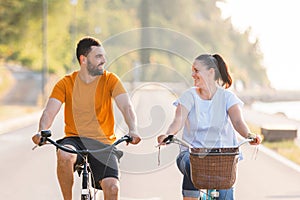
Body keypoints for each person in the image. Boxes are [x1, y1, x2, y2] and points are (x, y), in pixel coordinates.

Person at [32, 36, 141, 200]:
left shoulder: (110, 80)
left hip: (104, 142)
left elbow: (126, 106)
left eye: (103, 56)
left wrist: (133, 129)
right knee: (64, 155)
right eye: (98, 56)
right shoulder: (66, 83)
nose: (103, 60)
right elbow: (49, 112)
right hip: (75, 139)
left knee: (112, 188)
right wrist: (41, 131)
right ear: (83, 59)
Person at [157, 54, 262, 200]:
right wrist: (167, 134)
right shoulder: (189, 96)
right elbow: (178, 120)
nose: (193, 74)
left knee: (226, 192)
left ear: (210, 72)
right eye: (192, 70)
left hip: (222, 157)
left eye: (196, 70)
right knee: (191, 164)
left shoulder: (227, 97)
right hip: (192, 154)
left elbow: (238, 122)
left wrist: (249, 135)